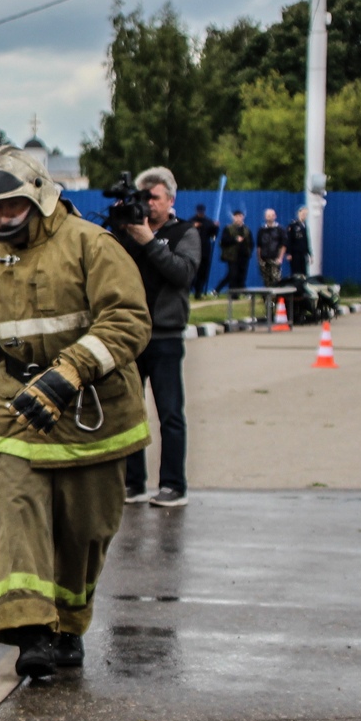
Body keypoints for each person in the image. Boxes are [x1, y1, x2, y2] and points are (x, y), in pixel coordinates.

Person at [0, 146, 149, 680]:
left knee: (87, 529)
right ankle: (31, 631)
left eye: (10, 204)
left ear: (40, 194)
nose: (1, 217)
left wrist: (69, 373)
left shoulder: (92, 245)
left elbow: (128, 321)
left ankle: (69, 624)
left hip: (95, 413)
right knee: (22, 517)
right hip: (20, 413)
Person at [113, 168, 202, 508]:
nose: (149, 204)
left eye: (155, 198)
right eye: (144, 197)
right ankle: (133, 483)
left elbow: (182, 273)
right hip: (131, 335)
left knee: (169, 413)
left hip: (165, 335)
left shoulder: (185, 233)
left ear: (171, 200)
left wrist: (149, 240)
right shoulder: (128, 233)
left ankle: (173, 486)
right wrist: (125, 232)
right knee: (130, 412)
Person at [216, 208, 251, 293]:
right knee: (233, 274)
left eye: (240, 216)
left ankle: (240, 290)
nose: (238, 218)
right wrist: (235, 239)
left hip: (243, 256)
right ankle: (233, 293)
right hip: (232, 256)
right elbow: (223, 241)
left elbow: (250, 242)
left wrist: (248, 252)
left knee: (241, 274)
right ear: (233, 218)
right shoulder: (228, 228)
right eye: (236, 216)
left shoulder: (246, 229)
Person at [189, 203, 219, 297]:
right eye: (199, 212)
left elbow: (213, 235)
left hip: (205, 250)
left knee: (203, 272)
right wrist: (193, 226)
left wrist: (216, 227)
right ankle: (191, 287)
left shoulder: (208, 222)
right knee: (193, 271)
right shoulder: (191, 221)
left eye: (202, 212)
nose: (200, 214)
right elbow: (186, 231)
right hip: (193, 250)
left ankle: (199, 291)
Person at [256, 207, 287, 289]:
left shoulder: (280, 229)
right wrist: (259, 259)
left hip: (275, 258)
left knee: (276, 280)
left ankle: (278, 299)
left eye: (271, 215)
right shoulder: (261, 230)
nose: (269, 217)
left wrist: (280, 258)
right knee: (266, 280)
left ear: (275, 216)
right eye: (268, 215)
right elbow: (259, 245)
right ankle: (268, 300)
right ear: (265, 217)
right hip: (264, 258)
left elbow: (283, 245)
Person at [285, 205, 312, 282]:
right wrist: (289, 253)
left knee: (304, 272)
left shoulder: (304, 226)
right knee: (296, 272)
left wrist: (309, 253)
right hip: (295, 253)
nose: (304, 216)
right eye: (303, 214)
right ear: (298, 213)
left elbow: (306, 240)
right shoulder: (293, 225)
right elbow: (289, 239)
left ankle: (303, 287)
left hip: (303, 252)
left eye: (306, 214)